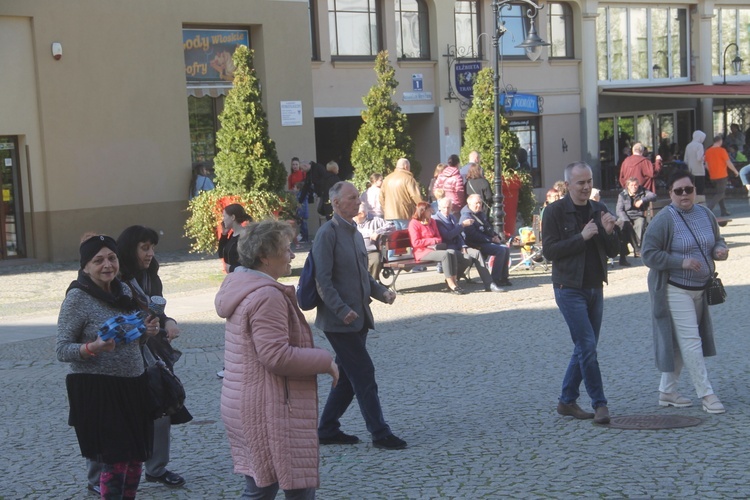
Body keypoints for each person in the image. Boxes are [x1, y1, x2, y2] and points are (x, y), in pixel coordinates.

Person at [215, 220, 339, 499]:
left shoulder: (240, 284)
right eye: (286, 249)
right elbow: (276, 356)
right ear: (264, 257)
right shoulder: (267, 295)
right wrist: (324, 360)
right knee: (292, 486)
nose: (292, 255)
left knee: (262, 485)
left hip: (247, 400)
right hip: (268, 405)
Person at [85, 227, 192, 492]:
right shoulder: (112, 278)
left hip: (146, 352)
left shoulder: (151, 275)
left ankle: (156, 468)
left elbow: (155, 311)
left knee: (160, 406)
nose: (150, 253)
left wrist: (167, 321)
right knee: (108, 419)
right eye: (144, 248)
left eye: (152, 248)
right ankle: (96, 477)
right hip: (111, 359)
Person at [57, 234, 160, 498]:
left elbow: (132, 340)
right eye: (98, 260)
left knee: (136, 458)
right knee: (115, 460)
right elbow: (62, 349)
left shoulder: (124, 291)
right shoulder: (77, 298)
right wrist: (92, 347)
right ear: (85, 266)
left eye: (112, 258)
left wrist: (147, 331)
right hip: (99, 389)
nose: (107, 265)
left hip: (134, 384)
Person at [314, 181, 405, 450]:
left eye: (358, 197)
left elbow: (361, 274)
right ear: (336, 203)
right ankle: (380, 433)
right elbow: (323, 281)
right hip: (339, 322)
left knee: (347, 377)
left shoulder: (354, 231)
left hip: (358, 317)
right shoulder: (326, 234)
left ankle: (327, 428)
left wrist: (380, 292)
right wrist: (342, 311)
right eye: (352, 198)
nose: (358, 202)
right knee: (363, 373)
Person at [641, 170, 728, 414]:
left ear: (695, 191)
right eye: (678, 191)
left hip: (700, 289)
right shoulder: (664, 219)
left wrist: (720, 251)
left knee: (681, 344)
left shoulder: (705, 214)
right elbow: (647, 253)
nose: (684, 195)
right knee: (691, 341)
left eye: (688, 190)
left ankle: (667, 391)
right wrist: (680, 262)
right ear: (670, 194)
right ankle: (707, 394)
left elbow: (717, 241)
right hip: (674, 289)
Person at [542, 162, 620, 425]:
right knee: (587, 346)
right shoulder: (553, 212)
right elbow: (549, 252)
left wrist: (609, 233)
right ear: (568, 185)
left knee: (585, 347)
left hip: (595, 286)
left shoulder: (599, 208)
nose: (586, 187)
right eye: (580, 183)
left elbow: (612, 251)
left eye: (589, 182)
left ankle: (567, 400)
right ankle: (600, 405)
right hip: (568, 288)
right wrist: (581, 237)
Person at [434, 197, 503, 292]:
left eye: (449, 207)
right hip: (448, 248)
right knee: (467, 259)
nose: (447, 210)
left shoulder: (452, 217)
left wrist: (463, 246)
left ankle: (489, 284)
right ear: (439, 207)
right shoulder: (437, 220)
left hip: (458, 246)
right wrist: (462, 225)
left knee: (476, 253)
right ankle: (452, 280)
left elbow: (459, 235)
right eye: (444, 207)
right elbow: (448, 236)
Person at [408, 201, 467, 295]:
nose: (431, 212)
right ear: (423, 211)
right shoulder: (414, 224)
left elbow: (439, 237)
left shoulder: (432, 222)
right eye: (429, 210)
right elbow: (415, 243)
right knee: (445, 255)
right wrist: (432, 241)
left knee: (452, 252)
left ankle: (454, 281)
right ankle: (451, 284)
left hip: (434, 249)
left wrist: (434, 241)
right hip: (421, 252)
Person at [460, 194, 512, 288]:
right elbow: (473, 236)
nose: (479, 205)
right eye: (476, 203)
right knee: (500, 250)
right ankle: (495, 279)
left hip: (485, 241)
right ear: (469, 204)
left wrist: (496, 237)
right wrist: (490, 239)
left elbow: (488, 228)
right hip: (474, 244)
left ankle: (503, 277)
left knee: (505, 248)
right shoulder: (466, 217)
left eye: (480, 203)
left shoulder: (480, 214)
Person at [615, 178, 657, 266]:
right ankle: (636, 248)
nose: (634, 187)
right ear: (628, 186)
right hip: (626, 216)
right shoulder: (622, 195)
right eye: (632, 185)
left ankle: (636, 248)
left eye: (636, 185)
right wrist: (626, 220)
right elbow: (619, 210)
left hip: (638, 215)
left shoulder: (642, 191)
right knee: (623, 226)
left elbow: (653, 196)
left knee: (640, 223)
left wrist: (642, 200)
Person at [379, 158, 422, 230]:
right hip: (405, 214)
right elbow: (415, 196)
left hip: (389, 215)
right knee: (405, 237)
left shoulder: (387, 179)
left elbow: (381, 197)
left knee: (395, 238)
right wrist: (423, 209)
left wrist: (386, 209)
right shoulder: (409, 178)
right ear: (406, 167)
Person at [704, 134, 738, 217]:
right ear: (720, 141)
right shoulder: (722, 150)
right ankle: (708, 209)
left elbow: (706, 165)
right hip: (722, 175)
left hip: (713, 176)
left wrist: (711, 170)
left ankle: (724, 211)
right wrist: (735, 171)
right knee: (720, 194)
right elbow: (728, 163)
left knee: (719, 192)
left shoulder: (708, 151)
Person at [354, 201, 389, 280]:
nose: (353, 217)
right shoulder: (352, 222)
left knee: (376, 259)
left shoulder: (375, 221)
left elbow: (391, 225)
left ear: (362, 214)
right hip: (356, 252)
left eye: (355, 215)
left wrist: (377, 232)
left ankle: (371, 283)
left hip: (371, 252)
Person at [219, 203, 252, 274]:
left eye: (224, 216)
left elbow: (248, 263)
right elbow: (221, 254)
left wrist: (231, 268)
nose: (223, 220)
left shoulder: (244, 236)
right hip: (233, 277)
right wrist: (224, 235)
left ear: (233, 217)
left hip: (242, 278)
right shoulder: (232, 235)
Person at [684, 130, 707, 195]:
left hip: (691, 170)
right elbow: (699, 158)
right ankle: (699, 202)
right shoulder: (699, 146)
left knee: (692, 189)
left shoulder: (688, 145)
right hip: (699, 170)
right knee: (700, 189)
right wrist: (705, 158)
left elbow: (685, 159)